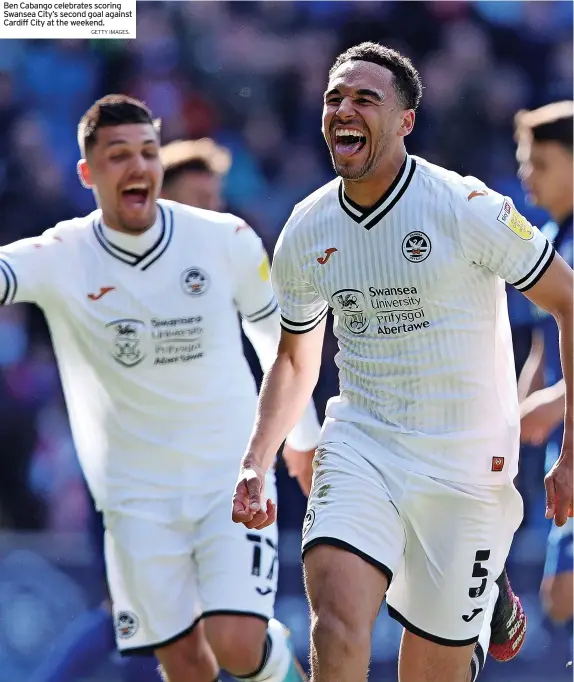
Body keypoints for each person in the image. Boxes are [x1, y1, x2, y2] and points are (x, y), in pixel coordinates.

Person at [232, 42, 573, 682]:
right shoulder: (306, 228)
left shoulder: (465, 207)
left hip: (467, 463)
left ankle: (477, 597)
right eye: (335, 97)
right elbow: (296, 358)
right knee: (333, 624)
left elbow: (570, 302)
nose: (344, 109)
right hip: (363, 444)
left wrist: (573, 451)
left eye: (366, 98)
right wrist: (256, 461)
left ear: (406, 121)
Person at [2, 94, 321, 682]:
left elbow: (279, 341)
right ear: (87, 172)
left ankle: (281, 666)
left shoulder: (223, 238)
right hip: (133, 500)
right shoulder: (63, 254)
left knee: (236, 642)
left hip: (228, 479)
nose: (138, 166)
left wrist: (300, 436)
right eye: (118, 154)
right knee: (182, 664)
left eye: (148, 151)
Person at [160, 137, 318, 495]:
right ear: (163, 200)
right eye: (200, 199)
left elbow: (280, 346)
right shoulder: (122, 269)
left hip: (229, 452)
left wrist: (303, 435)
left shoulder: (237, 256)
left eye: (216, 198)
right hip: (148, 460)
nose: (214, 209)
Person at [514, 101, 573, 628]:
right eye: (524, 162)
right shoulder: (549, 244)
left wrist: (552, 406)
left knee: (564, 593)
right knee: (560, 599)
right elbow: (542, 345)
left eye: (542, 162)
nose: (526, 175)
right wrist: (513, 413)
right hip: (563, 448)